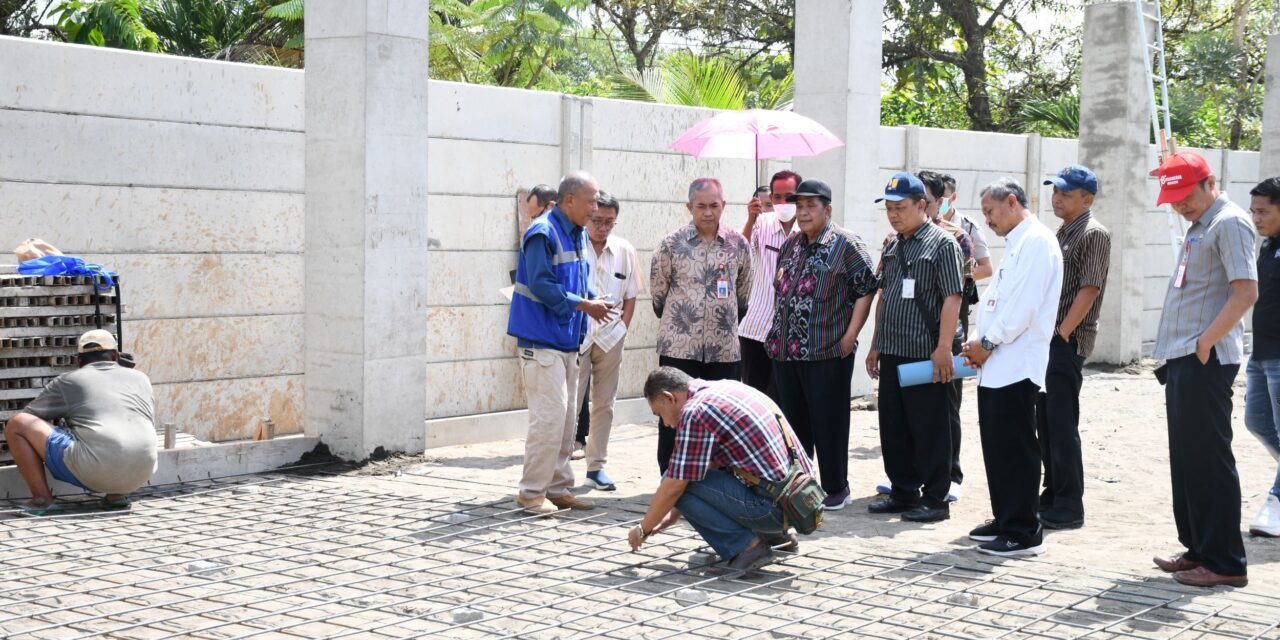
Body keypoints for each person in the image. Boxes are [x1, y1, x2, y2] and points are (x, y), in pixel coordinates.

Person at [1150, 152, 1258, 588]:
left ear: (1208, 183)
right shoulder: (1201, 225)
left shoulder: (1228, 222)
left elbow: (1246, 291)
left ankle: (1226, 562)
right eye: (1172, 198)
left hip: (1205, 360)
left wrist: (1204, 343)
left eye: (1185, 195)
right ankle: (1199, 549)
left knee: (1209, 461)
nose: (1179, 205)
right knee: (1188, 460)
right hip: (1184, 357)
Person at [962, 177, 1063, 558]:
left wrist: (987, 343)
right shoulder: (1020, 242)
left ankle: (1024, 530)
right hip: (998, 363)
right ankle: (1006, 518)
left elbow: (1024, 307)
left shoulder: (1037, 241)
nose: (987, 220)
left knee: (1016, 447)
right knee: (998, 446)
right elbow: (999, 301)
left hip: (1016, 363)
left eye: (990, 212)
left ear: (1011, 202)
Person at [627, 367, 811, 571]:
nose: (666, 424)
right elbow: (710, 466)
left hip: (772, 509)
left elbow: (675, 486)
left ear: (669, 398)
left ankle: (747, 548)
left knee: (668, 479)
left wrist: (643, 529)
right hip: (799, 501)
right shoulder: (724, 388)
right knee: (695, 477)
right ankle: (776, 536)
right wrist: (673, 515)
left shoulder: (694, 412)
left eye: (659, 414)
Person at [766, 179, 878, 510]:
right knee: (793, 424)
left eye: (810, 206)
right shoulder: (791, 244)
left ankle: (835, 486)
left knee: (828, 421)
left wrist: (850, 336)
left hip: (826, 350)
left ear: (827, 210)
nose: (803, 213)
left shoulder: (847, 244)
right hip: (785, 351)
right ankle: (802, 485)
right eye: (799, 207)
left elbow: (866, 289)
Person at [508, 172, 616, 515]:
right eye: (591, 201)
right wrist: (585, 305)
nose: (595, 208)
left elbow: (575, 281)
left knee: (567, 422)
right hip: (541, 342)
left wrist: (592, 298)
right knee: (550, 419)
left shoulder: (576, 232)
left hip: (566, 342)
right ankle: (530, 495)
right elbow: (541, 284)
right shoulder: (543, 232)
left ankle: (557, 487)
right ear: (569, 200)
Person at [865, 173, 964, 522]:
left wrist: (943, 348)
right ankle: (904, 491)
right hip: (893, 348)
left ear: (922, 205)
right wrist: (876, 344)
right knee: (894, 426)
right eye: (889, 208)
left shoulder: (943, 244)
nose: (893, 214)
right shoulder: (893, 245)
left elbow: (952, 297)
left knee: (930, 427)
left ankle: (936, 499)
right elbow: (885, 296)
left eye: (901, 208)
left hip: (925, 351)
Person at [650, 177, 753, 473]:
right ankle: (669, 478)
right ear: (689, 207)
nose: (708, 212)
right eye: (701, 206)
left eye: (714, 205)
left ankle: (717, 478)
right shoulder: (671, 244)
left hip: (723, 348)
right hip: (679, 346)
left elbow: (744, 291)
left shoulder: (738, 244)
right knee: (672, 414)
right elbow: (658, 291)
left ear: (724, 205)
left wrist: (727, 318)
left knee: (722, 415)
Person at [4, 329, 157, 516]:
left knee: (17, 424)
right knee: (117, 429)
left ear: (78, 361)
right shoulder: (141, 378)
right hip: (142, 472)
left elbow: (31, 417)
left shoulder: (69, 380)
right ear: (115, 355)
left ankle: (42, 500)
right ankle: (117, 496)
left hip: (95, 471)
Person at [1037, 165, 1110, 531]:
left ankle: (1068, 505)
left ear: (1087, 198)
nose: (1057, 198)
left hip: (1066, 342)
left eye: (1066, 193)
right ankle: (1051, 495)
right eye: (1056, 191)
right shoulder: (1063, 231)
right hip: (1048, 342)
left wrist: (1062, 333)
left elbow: (1090, 287)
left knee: (1062, 424)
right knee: (1046, 424)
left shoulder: (1093, 233)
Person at [572, 192, 643, 492]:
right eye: (597, 221)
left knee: (605, 403)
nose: (602, 228)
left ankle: (596, 466)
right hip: (577, 336)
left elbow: (631, 294)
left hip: (611, 337)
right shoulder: (574, 245)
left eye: (609, 223)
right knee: (569, 404)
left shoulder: (624, 249)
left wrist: (623, 328)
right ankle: (559, 466)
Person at [740, 171, 802, 396]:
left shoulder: (807, 230)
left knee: (786, 399)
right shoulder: (762, 223)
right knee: (755, 397)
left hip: (792, 335)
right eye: (777, 197)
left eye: (790, 196)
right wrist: (750, 219)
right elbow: (740, 252)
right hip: (757, 328)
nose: (783, 203)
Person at [1246, 177, 1280, 537]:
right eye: (1253, 211)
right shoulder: (1269, 246)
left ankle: (1275, 502)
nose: (1256, 218)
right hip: (1260, 353)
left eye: (1264, 211)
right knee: (1256, 422)